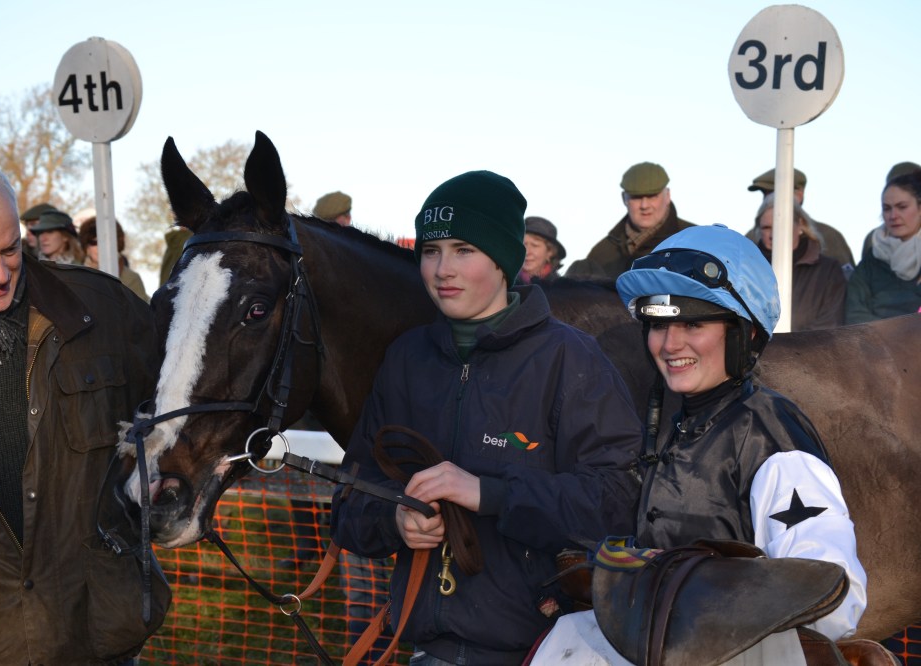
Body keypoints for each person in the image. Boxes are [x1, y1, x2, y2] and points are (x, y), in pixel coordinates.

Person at [331, 170, 642, 665]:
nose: (442, 269)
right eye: (431, 251)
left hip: (544, 652)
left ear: (502, 260)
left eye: (463, 250)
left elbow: (618, 504)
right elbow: (349, 501)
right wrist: (394, 518)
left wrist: (490, 494)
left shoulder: (570, 359)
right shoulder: (406, 359)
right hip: (425, 651)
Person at [532, 224, 867, 664]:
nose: (670, 343)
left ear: (746, 333)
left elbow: (837, 596)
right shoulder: (679, 422)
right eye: (657, 325)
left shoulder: (772, 435)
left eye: (692, 322)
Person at [0, 157, 169, 664]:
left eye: (11, 249)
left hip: (94, 624)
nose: (0, 273)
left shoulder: (103, 309)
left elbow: (188, 407)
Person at [565, 162, 694, 280]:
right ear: (624, 199)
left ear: (668, 196)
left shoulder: (695, 243)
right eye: (636, 197)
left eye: (652, 196)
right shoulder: (601, 253)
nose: (644, 205)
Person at [754, 193, 846, 331]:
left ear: (800, 225)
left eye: (780, 226)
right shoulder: (746, 273)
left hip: (814, 351)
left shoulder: (828, 272)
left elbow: (830, 325)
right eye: (766, 228)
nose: (773, 235)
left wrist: (787, 348)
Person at [745, 167, 855, 273]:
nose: (769, 200)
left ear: (799, 195)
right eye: (765, 194)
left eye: (776, 193)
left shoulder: (829, 236)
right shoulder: (751, 238)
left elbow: (846, 281)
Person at [846, 171, 921, 323]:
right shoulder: (872, 260)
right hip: (875, 345)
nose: (893, 215)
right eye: (887, 208)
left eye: (902, 207)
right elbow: (854, 314)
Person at [79, 215, 150, 302]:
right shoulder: (75, 277)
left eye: (107, 241)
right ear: (86, 248)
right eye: (94, 242)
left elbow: (140, 313)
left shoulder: (131, 279)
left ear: (117, 244)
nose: (101, 247)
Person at [518, 216, 566, 283]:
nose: (526, 252)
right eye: (523, 244)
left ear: (550, 252)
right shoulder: (505, 284)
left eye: (534, 245)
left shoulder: (560, 288)